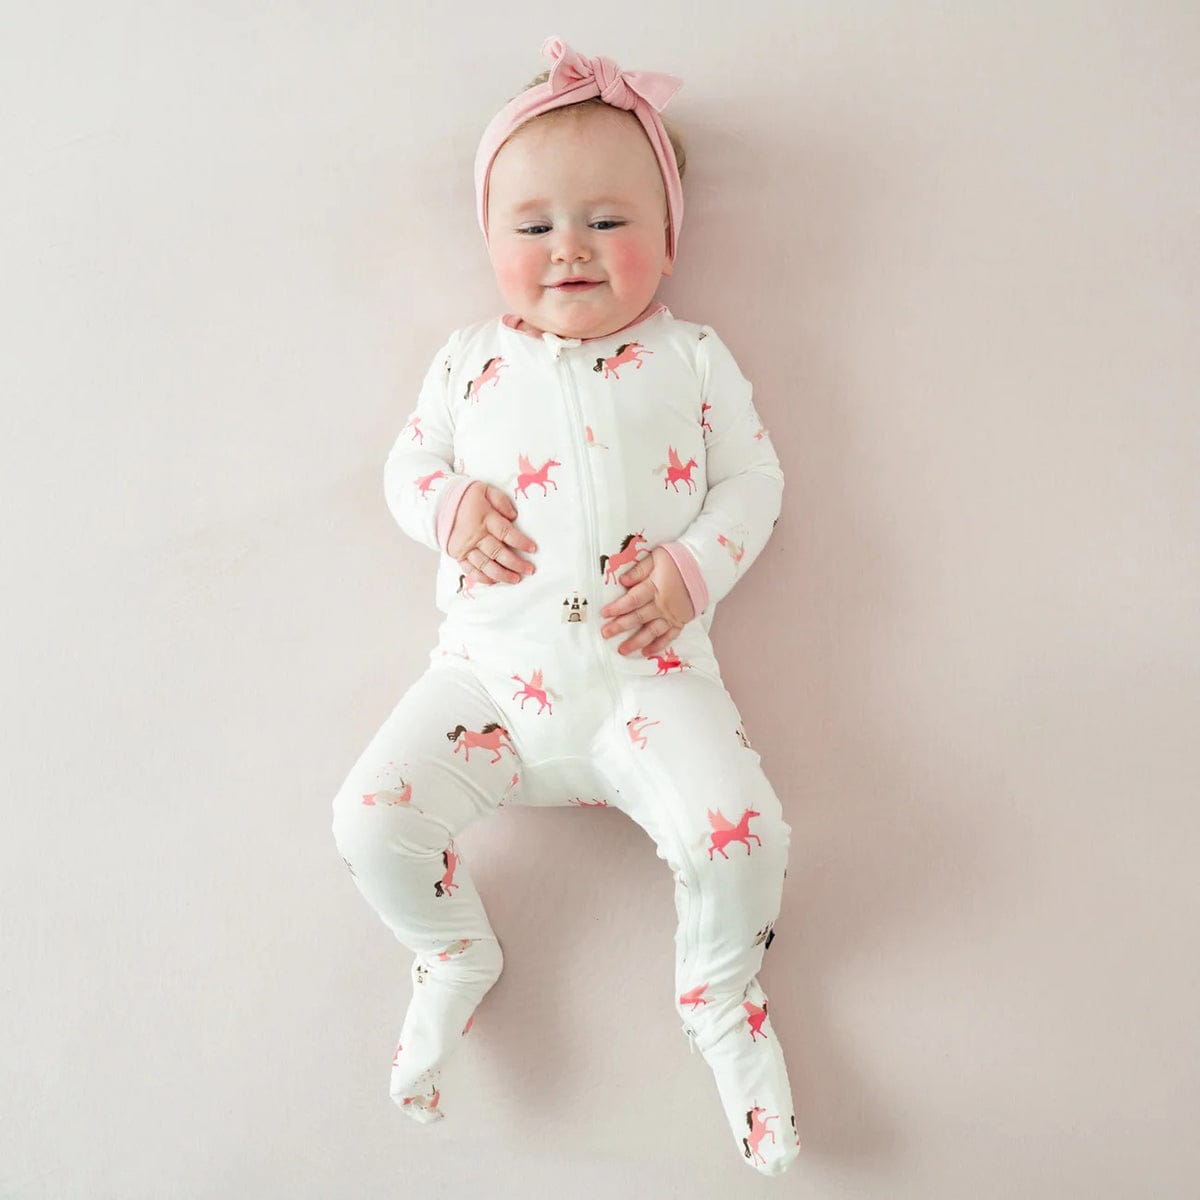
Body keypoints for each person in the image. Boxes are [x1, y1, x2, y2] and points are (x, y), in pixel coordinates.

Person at [331, 35, 801, 1177]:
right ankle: (453, 954)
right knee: (367, 819)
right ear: (490, 241)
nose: (570, 249)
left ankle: (720, 995)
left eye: (607, 219)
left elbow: (755, 481)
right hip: (487, 683)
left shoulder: (692, 357)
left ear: (670, 237)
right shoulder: (467, 363)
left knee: (747, 838)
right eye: (533, 226)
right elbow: (405, 467)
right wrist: (447, 507)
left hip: (653, 682)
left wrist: (691, 569)